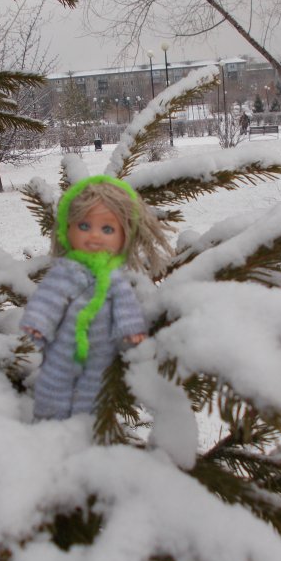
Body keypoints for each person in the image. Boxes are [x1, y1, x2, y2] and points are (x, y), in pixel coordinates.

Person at [20, 175, 173, 420]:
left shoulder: (115, 279)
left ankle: (84, 426)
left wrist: (131, 329)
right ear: (66, 230)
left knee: (93, 391)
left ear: (125, 236)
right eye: (83, 226)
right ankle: (47, 421)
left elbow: (125, 305)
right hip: (62, 348)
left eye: (108, 229)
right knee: (53, 382)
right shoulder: (65, 272)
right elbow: (48, 300)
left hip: (101, 352)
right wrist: (38, 323)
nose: (94, 236)